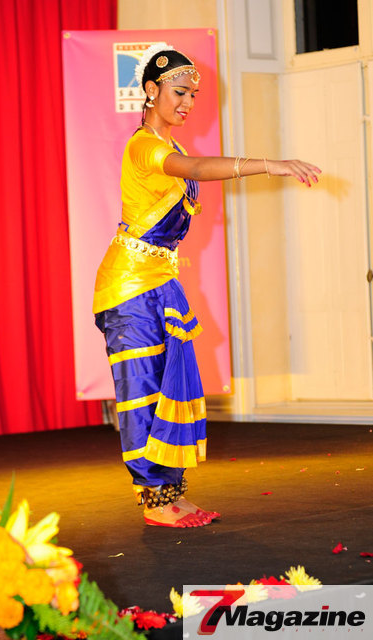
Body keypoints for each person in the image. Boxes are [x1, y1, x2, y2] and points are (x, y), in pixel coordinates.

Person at [93, 43, 321, 529]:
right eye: (179, 92)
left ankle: (171, 492)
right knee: (143, 392)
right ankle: (155, 502)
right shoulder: (145, 147)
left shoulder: (171, 146)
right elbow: (197, 171)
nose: (188, 103)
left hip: (159, 280)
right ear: (151, 90)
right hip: (129, 288)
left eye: (193, 95)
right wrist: (271, 164)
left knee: (171, 387)